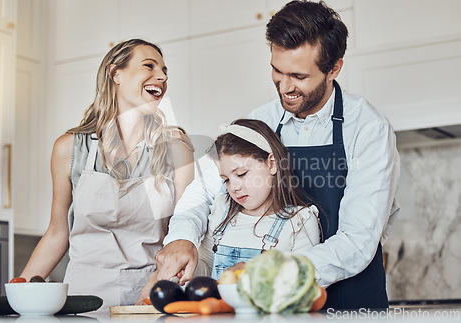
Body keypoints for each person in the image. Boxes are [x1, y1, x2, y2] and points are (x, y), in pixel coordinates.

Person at [156, 1, 400, 310]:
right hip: (279, 309)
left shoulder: (368, 129)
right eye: (276, 70)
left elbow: (357, 241)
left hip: (352, 304)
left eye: (298, 76)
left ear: (334, 68)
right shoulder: (262, 120)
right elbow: (204, 189)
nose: (284, 87)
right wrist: (182, 237)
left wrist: (269, 273)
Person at [20, 39, 194, 311]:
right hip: (81, 298)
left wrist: (158, 285)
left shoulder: (175, 146)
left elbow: (185, 226)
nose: (161, 76)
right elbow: (57, 233)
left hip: (151, 295)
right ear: (116, 74)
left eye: (164, 71)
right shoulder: (70, 148)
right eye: (149, 66)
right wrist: (17, 294)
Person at [200, 119, 320, 280]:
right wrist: (183, 269)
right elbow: (207, 267)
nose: (234, 187)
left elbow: (303, 286)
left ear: (272, 164)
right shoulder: (222, 208)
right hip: (215, 305)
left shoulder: (299, 221)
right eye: (226, 179)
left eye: (241, 174)